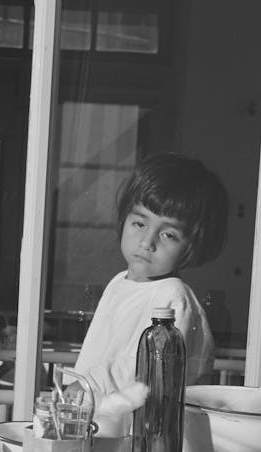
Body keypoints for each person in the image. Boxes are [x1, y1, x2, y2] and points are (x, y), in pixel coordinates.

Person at [71, 152, 229, 408]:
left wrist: (89, 386)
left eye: (167, 234)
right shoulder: (118, 283)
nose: (147, 242)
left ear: (191, 246)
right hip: (99, 419)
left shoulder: (173, 295)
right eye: (139, 224)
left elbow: (146, 365)